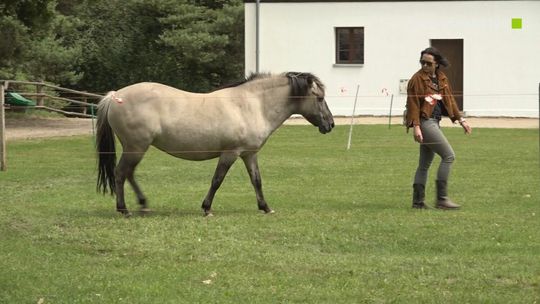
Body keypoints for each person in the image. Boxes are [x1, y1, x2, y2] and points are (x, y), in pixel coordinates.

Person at [405, 47, 472, 209]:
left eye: (428, 63)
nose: (424, 66)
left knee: (424, 165)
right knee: (449, 156)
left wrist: (461, 120)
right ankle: (442, 199)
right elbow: (412, 104)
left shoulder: (441, 78)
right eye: (422, 63)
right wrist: (416, 126)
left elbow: (449, 101)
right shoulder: (416, 79)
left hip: (434, 122)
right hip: (425, 122)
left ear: (437, 64)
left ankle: (418, 203)